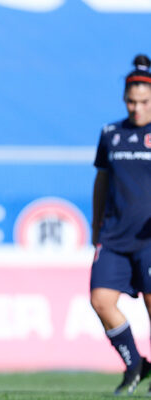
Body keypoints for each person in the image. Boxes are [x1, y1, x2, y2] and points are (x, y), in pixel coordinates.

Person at [91, 54, 151, 396]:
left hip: (149, 239)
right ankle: (134, 365)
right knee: (100, 301)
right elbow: (101, 181)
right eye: (131, 101)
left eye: (143, 102)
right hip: (113, 236)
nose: (136, 109)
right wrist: (96, 223)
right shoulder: (111, 133)